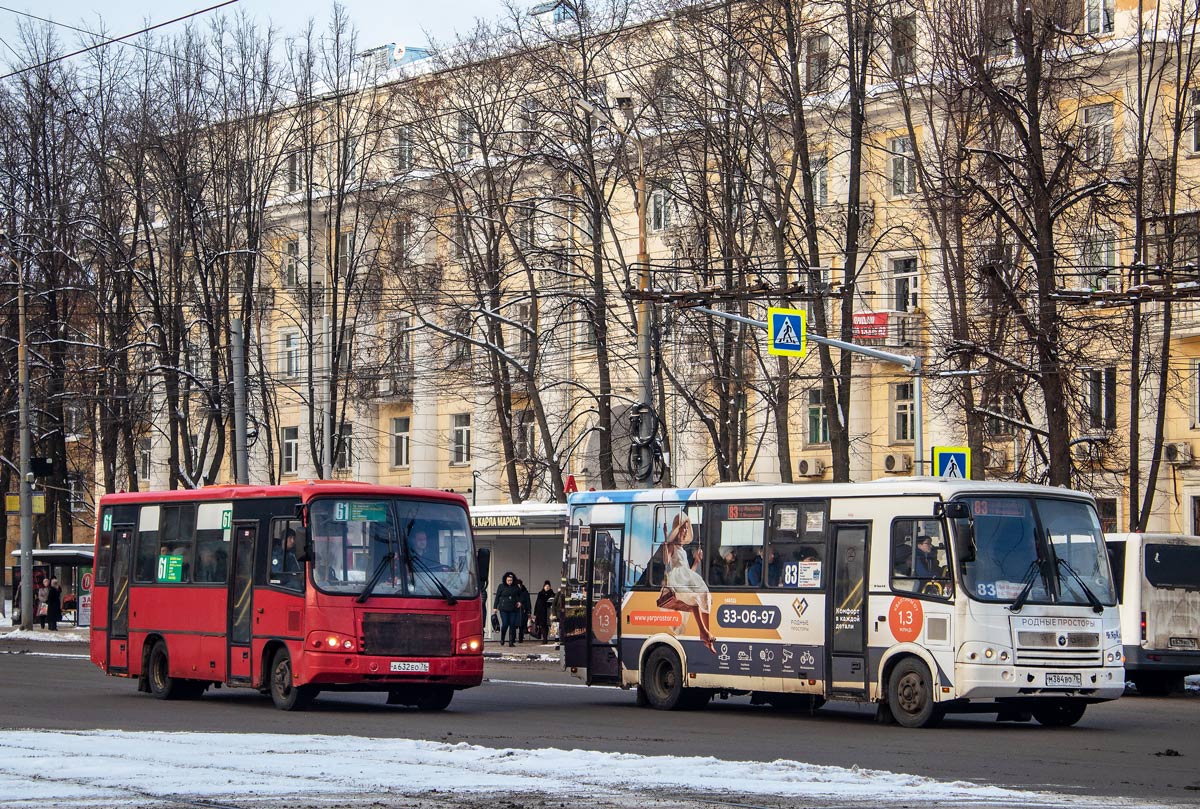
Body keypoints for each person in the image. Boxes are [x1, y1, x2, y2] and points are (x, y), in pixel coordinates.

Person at [657, 513, 716, 653]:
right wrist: (666, 538)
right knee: (694, 599)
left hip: (684, 577)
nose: (684, 531)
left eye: (686, 528)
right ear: (677, 529)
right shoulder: (672, 546)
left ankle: (706, 633)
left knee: (705, 596)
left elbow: (688, 572)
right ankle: (704, 633)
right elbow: (666, 561)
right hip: (676, 578)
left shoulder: (682, 550)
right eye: (683, 528)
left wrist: (696, 561)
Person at [492, 572, 522, 647]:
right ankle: (502, 639)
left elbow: (520, 596)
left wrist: (520, 602)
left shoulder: (516, 587)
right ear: (505, 580)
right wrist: (495, 607)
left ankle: (511, 642)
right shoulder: (501, 586)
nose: (509, 582)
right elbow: (497, 597)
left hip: (513, 608)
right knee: (505, 624)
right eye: (508, 580)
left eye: (511, 580)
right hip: (503, 609)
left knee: (512, 624)